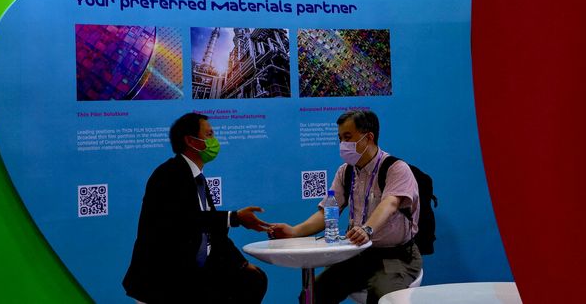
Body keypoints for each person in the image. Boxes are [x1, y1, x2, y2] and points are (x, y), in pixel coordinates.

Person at [268, 110, 421, 304]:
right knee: (312, 295)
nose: (342, 144)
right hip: (357, 253)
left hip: (395, 257)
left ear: (369, 137)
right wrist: (294, 231)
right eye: (340, 138)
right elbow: (326, 212)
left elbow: (389, 203)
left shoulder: (396, 168)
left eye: (348, 137)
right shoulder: (346, 172)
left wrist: (366, 229)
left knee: (382, 298)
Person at [123, 112, 269, 303]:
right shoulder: (169, 175)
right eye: (209, 135)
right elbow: (185, 221)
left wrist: (241, 264)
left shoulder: (196, 178)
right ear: (191, 141)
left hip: (193, 273)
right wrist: (236, 217)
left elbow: (213, 233)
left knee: (253, 280)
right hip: (165, 278)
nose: (214, 141)